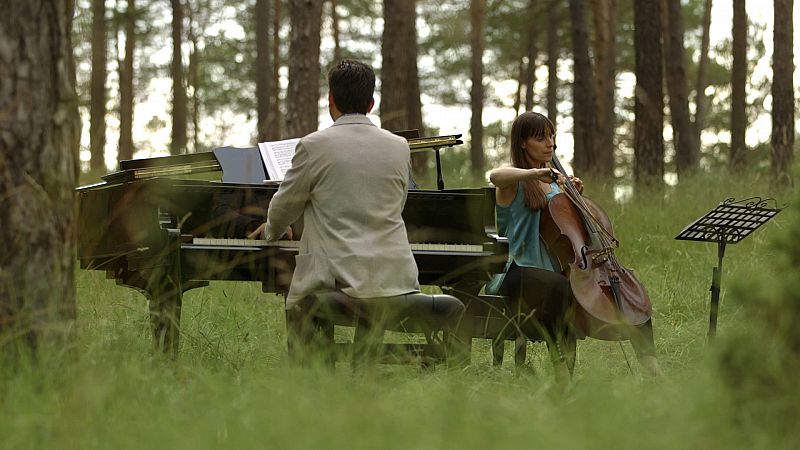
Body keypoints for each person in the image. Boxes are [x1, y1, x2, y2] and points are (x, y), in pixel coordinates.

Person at [486, 111, 661, 377]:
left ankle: (653, 370)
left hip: (555, 270)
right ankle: (563, 376)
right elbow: (495, 176)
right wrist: (536, 172)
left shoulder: (557, 186)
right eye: (541, 137)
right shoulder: (514, 183)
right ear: (522, 143)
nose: (550, 143)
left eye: (552, 136)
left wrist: (573, 198)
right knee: (561, 290)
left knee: (630, 293)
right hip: (517, 270)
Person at [248, 59, 420, 313]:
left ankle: (307, 353)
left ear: (331, 99)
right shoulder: (400, 146)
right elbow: (399, 204)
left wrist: (272, 231)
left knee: (304, 303)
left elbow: (285, 206)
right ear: (371, 104)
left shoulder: (313, 146)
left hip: (337, 279)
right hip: (395, 278)